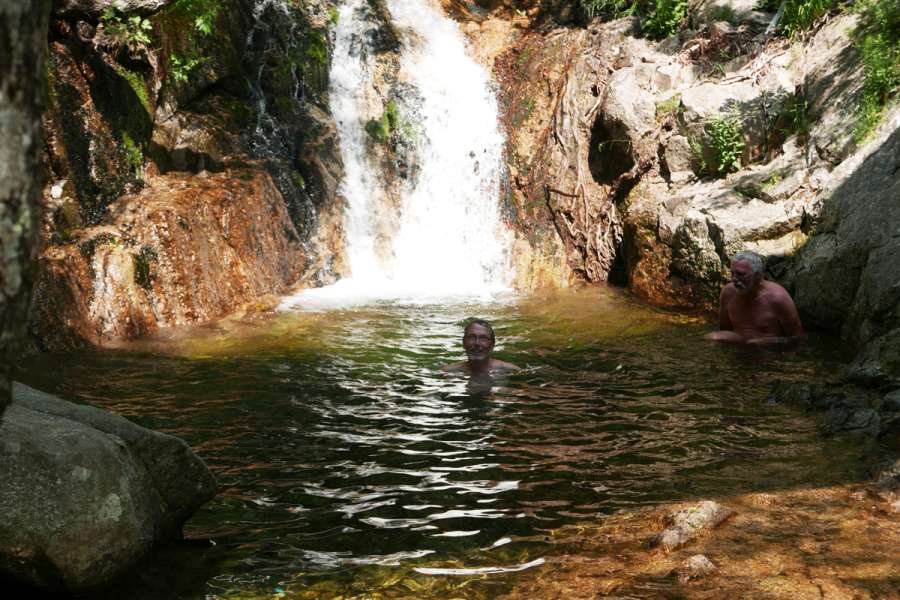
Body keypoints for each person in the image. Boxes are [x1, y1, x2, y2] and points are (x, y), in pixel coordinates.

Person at [706, 251, 804, 345]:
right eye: (732, 274)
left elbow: (797, 338)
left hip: (771, 355)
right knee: (712, 337)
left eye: (740, 274)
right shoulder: (728, 293)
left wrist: (769, 342)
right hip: (739, 351)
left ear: (758, 276)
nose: (734, 279)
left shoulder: (778, 298)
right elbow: (724, 330)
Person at [442, 319, 520, 374]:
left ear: (492, 345)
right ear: (463, 343)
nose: (477, 343)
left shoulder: (511, 370)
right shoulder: (448, 371)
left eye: (483, 338)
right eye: (472, 337)